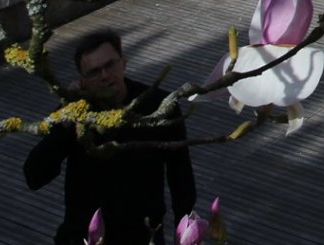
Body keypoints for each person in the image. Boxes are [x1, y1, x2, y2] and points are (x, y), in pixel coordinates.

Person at [25, 29, 197, 245]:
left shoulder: (160, 105)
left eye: (110, 65)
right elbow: (34, 176)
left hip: (142, 233)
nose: (105, 76)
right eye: (94, 72)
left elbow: (180, 174)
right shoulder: (76, 114)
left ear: (123, 62)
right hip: (84, 234)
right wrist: (66, 122)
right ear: (83, 81)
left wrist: (185, 233)